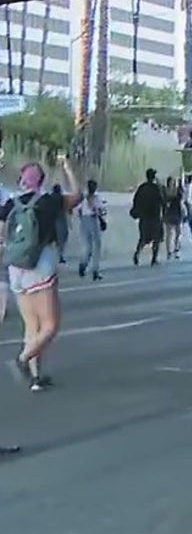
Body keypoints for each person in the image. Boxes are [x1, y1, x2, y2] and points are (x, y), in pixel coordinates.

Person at [2, 158, 83, 392]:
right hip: (41, 265)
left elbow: (1, 236)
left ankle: (36, 379)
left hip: (16, 267)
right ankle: (21, 359)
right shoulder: (49, 201)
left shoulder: (10, 204)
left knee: (31, 326)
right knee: (50, 326)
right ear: (41, 180)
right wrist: (68, 167)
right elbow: (76, 196)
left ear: (21, 179)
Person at [130, 168, 163, 266]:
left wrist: (137, 211)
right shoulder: (156, 188)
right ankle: (154, 258)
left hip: (144, 217)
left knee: (143, 238)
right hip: (155, 216)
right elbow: (162, 200)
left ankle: (137, 253)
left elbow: (135, 200)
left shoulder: (142, 187)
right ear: (153, 177)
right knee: (157, 238)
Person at [75, 179, 106, 280]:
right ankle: (95, 270)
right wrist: (102, 220)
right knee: (96, 245)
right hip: (92, 219)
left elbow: (79, 210)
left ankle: (83, 265)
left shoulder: (83, 197)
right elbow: (97, 210)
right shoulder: (95, 197)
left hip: (84, 220)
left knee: (87, 245)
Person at [162, 175, 185, 259]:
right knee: (169, 233)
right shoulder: (165, 191)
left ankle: (176, 248)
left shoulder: (178, 190)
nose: (173, 183)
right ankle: (169, 251)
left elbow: (182, 198)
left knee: (178, 232)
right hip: (170, 213)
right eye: (172, 182)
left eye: (174, 182)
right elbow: (164, 201)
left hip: (177, 213)